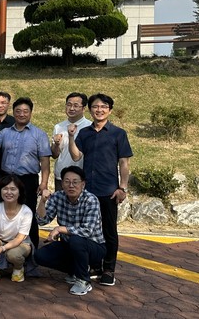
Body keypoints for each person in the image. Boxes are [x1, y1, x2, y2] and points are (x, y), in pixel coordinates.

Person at [68, 93, 132, 287]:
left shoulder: (118, 133)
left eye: (104, 107)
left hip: (108, 190)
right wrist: (71, 137)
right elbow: (76, 156)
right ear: (90, 110)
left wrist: (123, 187)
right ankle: (95, 266)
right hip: (88, 192)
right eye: (95, 107)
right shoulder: (84, 132)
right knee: (89, 231)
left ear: (109, 110)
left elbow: (124, 162)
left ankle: (109, 269)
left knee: (109, 231)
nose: (99, 110)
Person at [0, 97, 51, 249]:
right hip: (7, 179)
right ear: (13, 112)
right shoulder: (5, 132)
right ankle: (3, 248)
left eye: (25, 111)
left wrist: (43, 183)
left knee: (29, 213)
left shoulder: (39, 134)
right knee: (4, 212)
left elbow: (45, 161)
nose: (21, 114)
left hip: (28, 180)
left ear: (31, 113)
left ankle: (31, 250)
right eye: (18, 111)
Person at [35, 166, 106, 296]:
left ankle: (83, 280)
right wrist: (42, 201)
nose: (71, 185)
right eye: (67, 182)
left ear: (83, 184)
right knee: (40, 256)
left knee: (76, 240)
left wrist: (60, 228)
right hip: (69, 245)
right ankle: (76, 270)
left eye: (75, 182)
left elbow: (87, 231)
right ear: (62, 184)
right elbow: (42, 221)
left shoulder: (91, 200)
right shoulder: (58, 197)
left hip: (93, 247)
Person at [0, 175, 33, 283]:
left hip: (20, 244)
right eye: (5, 189)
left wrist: (2, 249)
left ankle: (18, 268)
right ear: (0, 190)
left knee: (13, 254)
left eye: (13, 189)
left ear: (19, 192)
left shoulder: (26, 212)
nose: (9, 192)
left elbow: (19, 239)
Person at [51, 92, 91, 191]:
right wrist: (56, 144)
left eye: (76, 105)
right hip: (62, 176)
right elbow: (54, 155)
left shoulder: (90, 127)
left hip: (82, 176)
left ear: (83, 108)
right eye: (69, 105)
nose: (71, 108)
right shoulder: (58, 127)